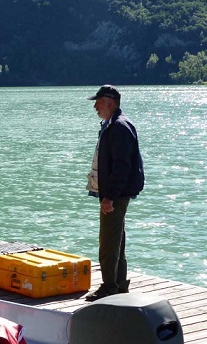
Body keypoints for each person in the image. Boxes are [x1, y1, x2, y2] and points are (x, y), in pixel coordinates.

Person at [85, 85, 145, 301]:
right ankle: (119, 284)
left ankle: (109, 287)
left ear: (110, 102)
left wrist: (109, 197)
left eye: (98, 102)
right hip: (116, 192)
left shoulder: (119, 127)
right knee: (117, 238)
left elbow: (122, 166)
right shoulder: (114, 124)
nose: (95, 106)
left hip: (115, 194)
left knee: (109, 241)